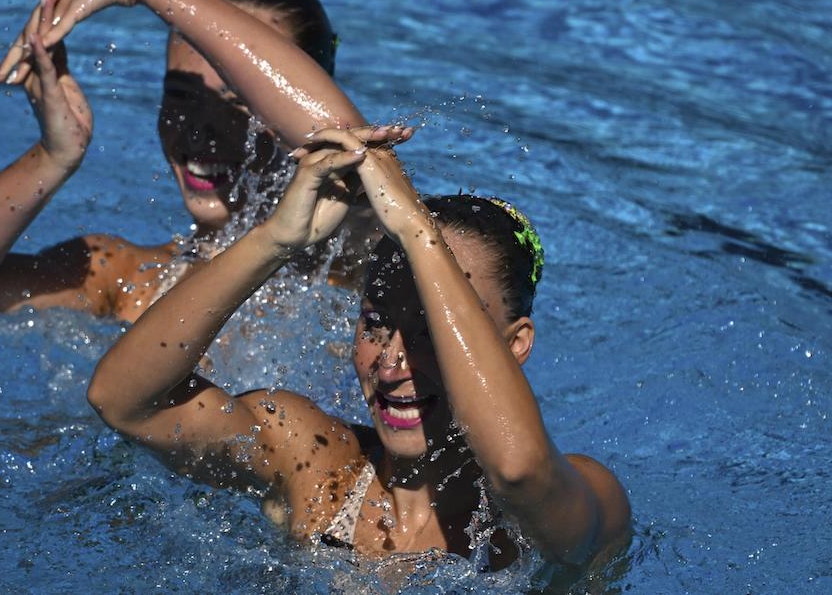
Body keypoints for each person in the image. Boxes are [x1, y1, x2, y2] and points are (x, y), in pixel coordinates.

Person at [86, 125, 631, 574]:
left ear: (514, 345)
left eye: (433, 332)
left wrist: (418, 234)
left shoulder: (580, 504)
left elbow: (518, 470)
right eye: (376, 324)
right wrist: (275, 240)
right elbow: (123, 401)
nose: (391, 364)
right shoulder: (317, 464)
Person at [0, 0, 392, 320]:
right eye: (182, 97)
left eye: (241, 101)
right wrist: (54, 157)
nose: (199, 132)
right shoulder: (134, 279)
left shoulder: (378, 261)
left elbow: (356, 148)